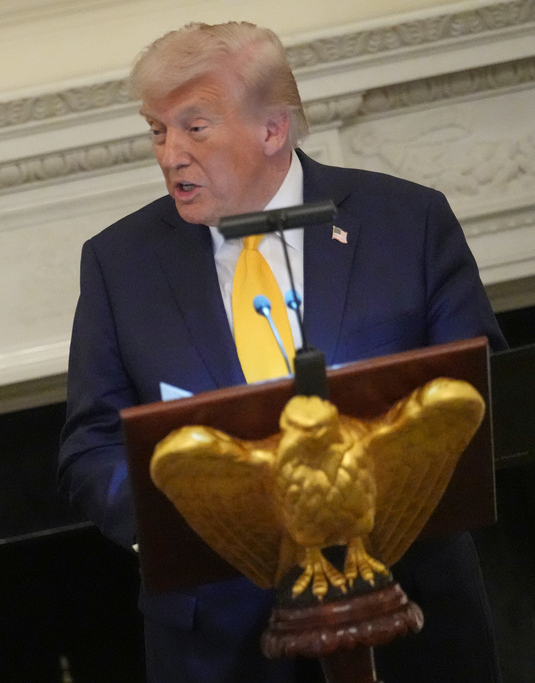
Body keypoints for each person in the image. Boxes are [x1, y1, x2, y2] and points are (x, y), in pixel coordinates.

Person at [58, 21, 506, 683]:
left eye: (194, 128)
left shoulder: (405, 222)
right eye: (157, 131)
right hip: (217, 643)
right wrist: (182, 516)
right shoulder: (119, 264)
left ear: (272, 129)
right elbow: (90, 445)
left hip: (407, 617)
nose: (170, 155)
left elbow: (481, 394)